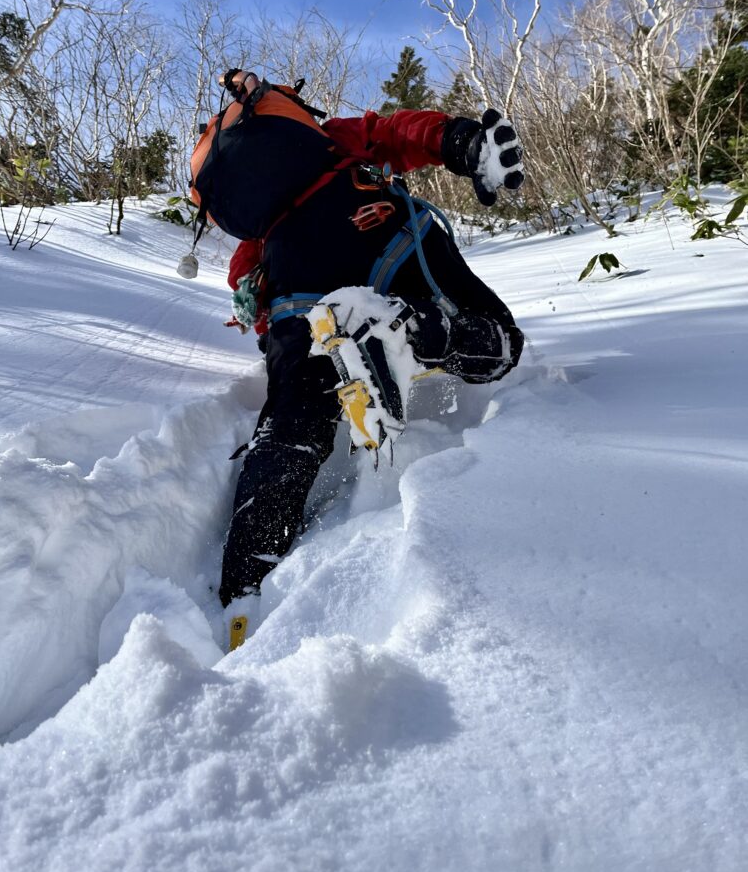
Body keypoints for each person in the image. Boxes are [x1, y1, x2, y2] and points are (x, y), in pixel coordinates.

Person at [190, 69, 525, 629]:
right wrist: (461, 141)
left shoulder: (263, 228)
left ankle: (242, 595)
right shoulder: (336, 142)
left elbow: (245, 278)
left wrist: (268, 325)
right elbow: (396, 131)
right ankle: (412, 329)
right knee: (497, 339)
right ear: (292, 111)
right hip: (378, 236)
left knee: (292, 422)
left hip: (296, 286)